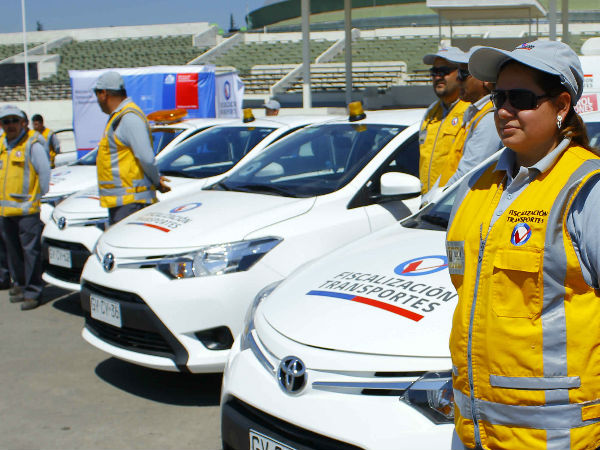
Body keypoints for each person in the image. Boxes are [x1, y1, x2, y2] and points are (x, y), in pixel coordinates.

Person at [446, 40, 600, 450]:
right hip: (473, 433)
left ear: (562, 105)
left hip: (558, 439)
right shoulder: (478, 187)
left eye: (521, 99)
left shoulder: (588, 189)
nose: (503, 110)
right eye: (499, 97)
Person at [93, 71, 170, 225]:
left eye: (97, 95)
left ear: (103, 94)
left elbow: (146, 158)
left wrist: (156, 181)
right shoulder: (119, 117)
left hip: (132, 203)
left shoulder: (128, 118)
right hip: (125, 202)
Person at [0, 105, 50, 310]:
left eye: (14, 120)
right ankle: (20, 285)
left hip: (27, 210)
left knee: (31, 253)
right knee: (13, 253)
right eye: (6, 121)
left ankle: (33, 292)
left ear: (22, 123)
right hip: (5, 211)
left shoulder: (32, 144)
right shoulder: (2, 145)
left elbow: (44, 172)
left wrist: (37, 196)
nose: (10, 125)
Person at [419, 47, 470, 194]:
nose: (437, 77)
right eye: (434, 72)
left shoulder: (471, 111)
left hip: (454, 199)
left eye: (443, 71)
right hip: (428, 201)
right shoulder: (430, 113)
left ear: (460, 73)